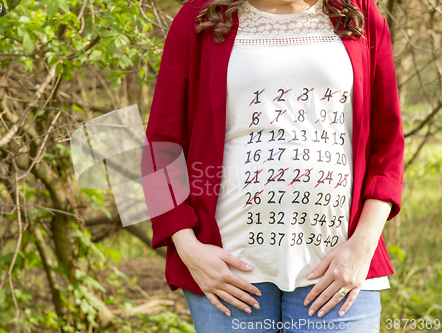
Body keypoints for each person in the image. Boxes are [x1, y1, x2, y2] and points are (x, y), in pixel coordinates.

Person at [143, 0, 404, 331]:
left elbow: (389, 142)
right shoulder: (201, 18)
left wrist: (363, 246)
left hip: (339, 266)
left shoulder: (359, 14)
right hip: (228, 270)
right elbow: (160, 144)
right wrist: (187, 247)